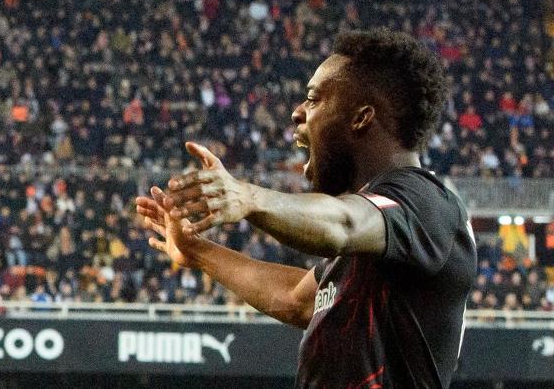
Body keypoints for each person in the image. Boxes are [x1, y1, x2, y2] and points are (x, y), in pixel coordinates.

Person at [137, 29, 476, 388]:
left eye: (314, 100)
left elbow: (342, 224)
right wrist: (195, 251)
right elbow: (296, 300)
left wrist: (248, 197)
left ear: (361, 117)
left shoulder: (424, 202)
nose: (297, 112)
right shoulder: (377, 237)